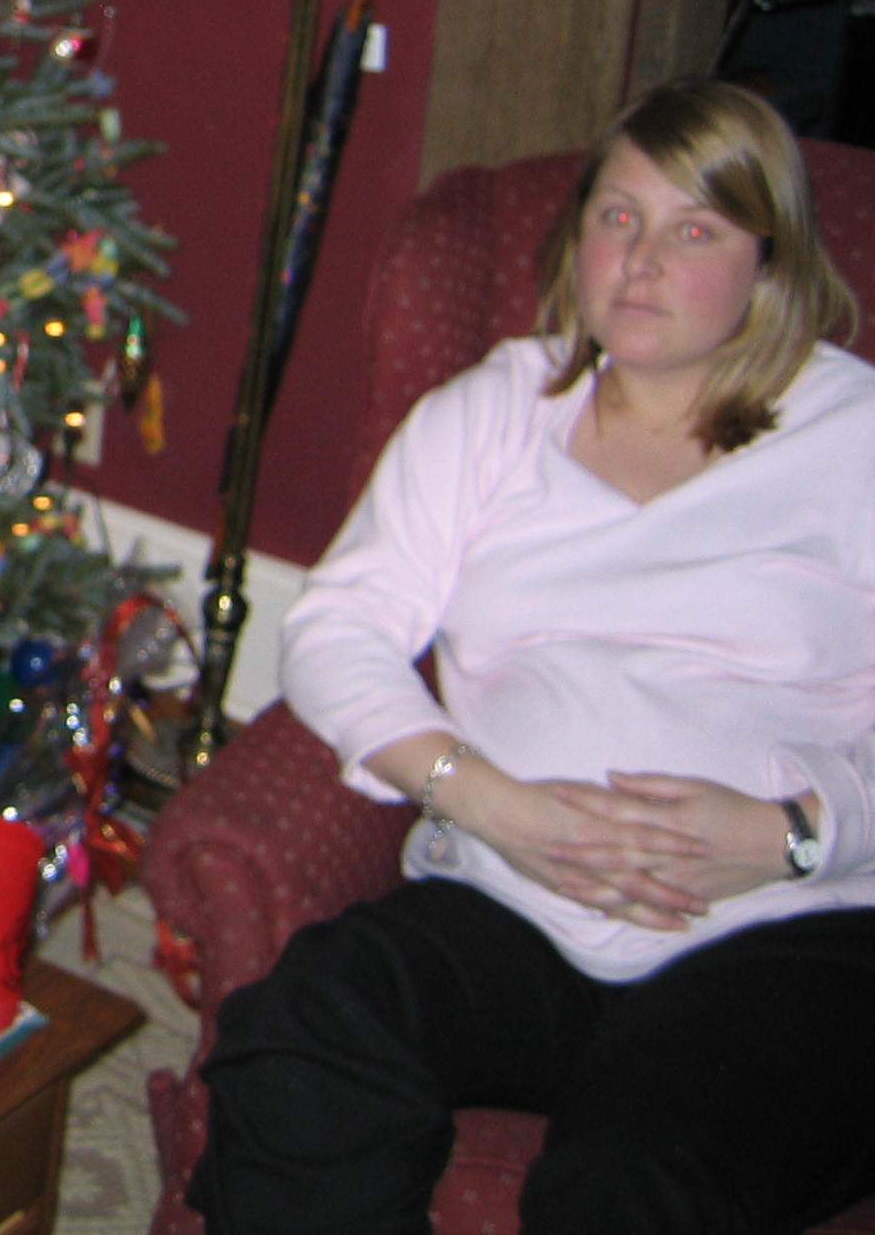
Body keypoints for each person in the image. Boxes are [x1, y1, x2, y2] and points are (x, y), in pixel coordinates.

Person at [191, 80, 875, 1235]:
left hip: (775, 934)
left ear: (770, 262)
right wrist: (490, 803)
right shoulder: (498, 408)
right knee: (306, 1030)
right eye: (619, 217)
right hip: (513, 897)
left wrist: (790, 834)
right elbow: (338, 628)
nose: (641, 261)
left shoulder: (852, 435)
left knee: (635, 1179)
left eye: (695, 231)